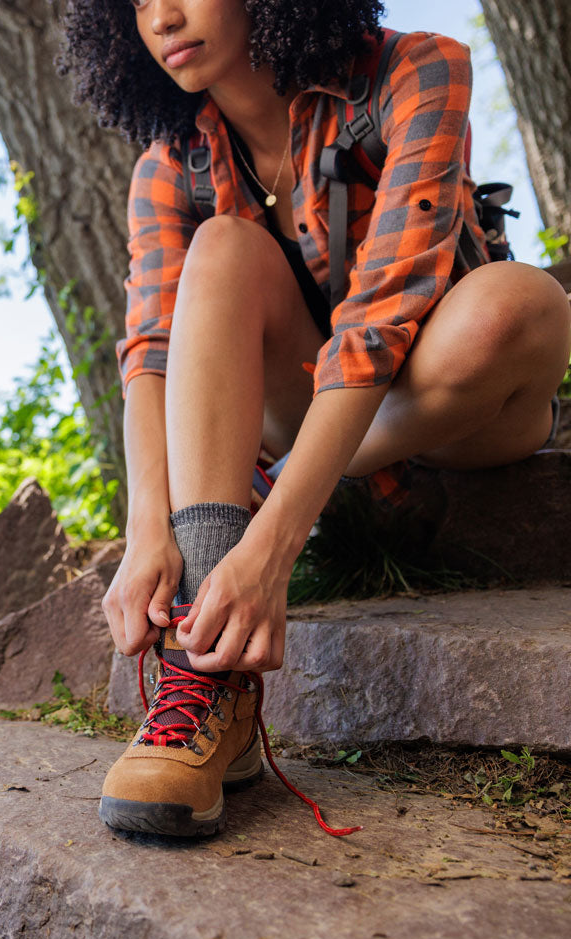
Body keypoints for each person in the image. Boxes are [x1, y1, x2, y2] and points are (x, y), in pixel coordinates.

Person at [59, 0, 571, 838]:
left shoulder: (418, 69)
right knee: (220, 246)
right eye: (139, 1)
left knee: (521, 304)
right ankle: (208, 683)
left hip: (460, 401)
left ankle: (248, 506)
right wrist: (148, 526)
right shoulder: (167, 168)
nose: (163, 17)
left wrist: (274, 538)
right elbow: (150, 353)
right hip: (304, 413)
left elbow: (382, 317)